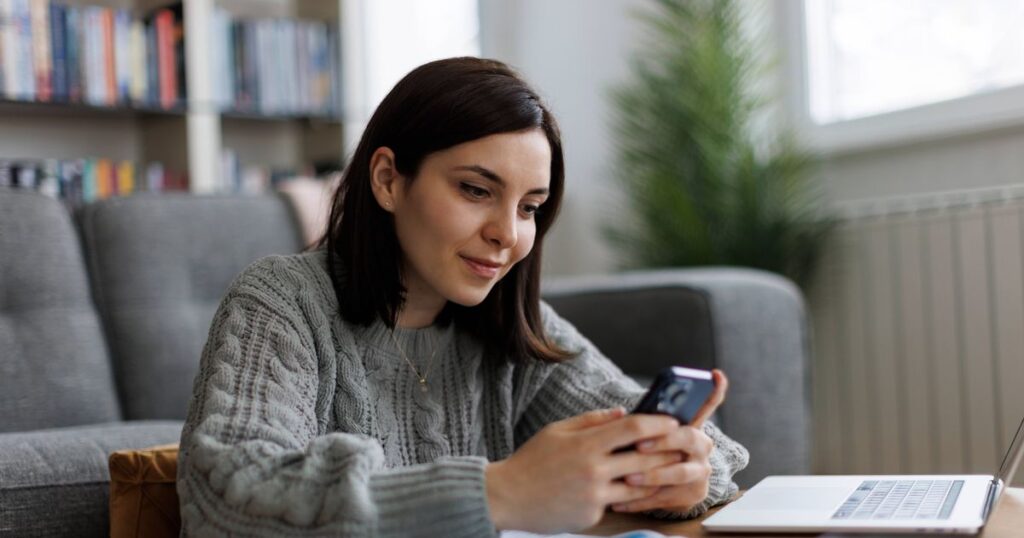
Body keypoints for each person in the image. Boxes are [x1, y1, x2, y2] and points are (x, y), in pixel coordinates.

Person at [176, 57, 749, 537]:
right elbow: (232, 493)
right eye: (476, 190)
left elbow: (708, 449)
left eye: (529, 207)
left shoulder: (512, 328)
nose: (507, 233)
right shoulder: (283, 301)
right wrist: (500, 492)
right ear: (388, 180)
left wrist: (683, 474)